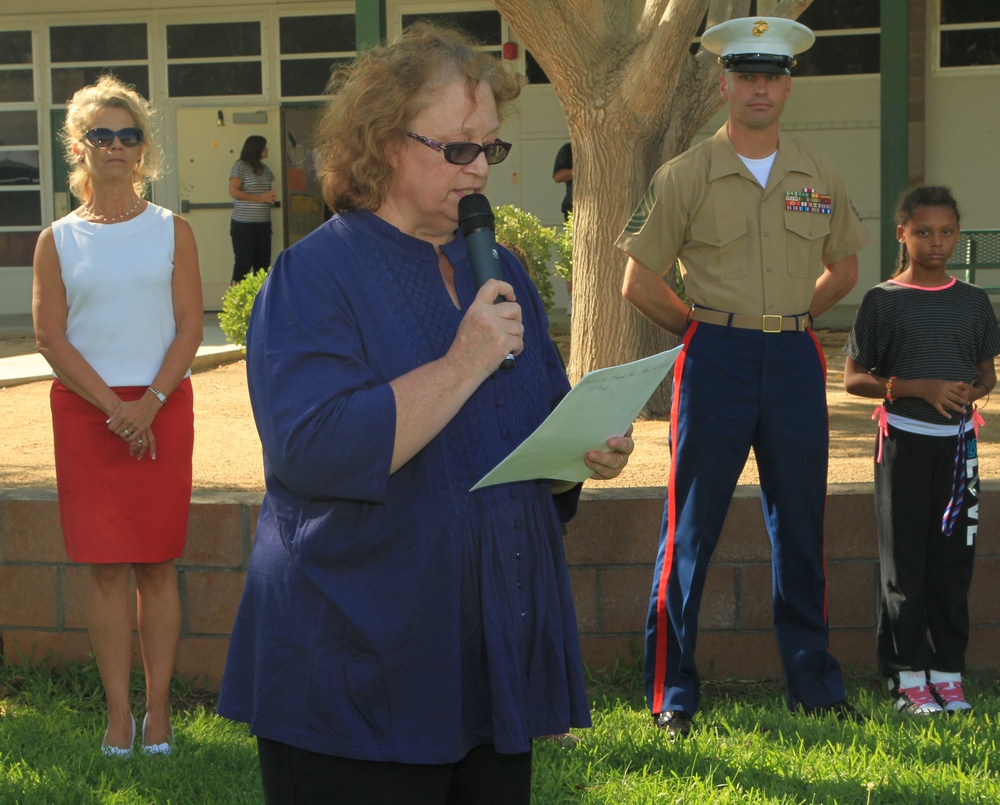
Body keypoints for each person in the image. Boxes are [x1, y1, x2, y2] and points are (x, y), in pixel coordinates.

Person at [216, 23, 634, 804]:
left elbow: (528, 425)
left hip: (486, 660)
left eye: (490, 150)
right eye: (457, 150)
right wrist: (460, 362)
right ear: (382, 142)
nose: (479, 169)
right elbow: (315, 449)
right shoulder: (313, 275)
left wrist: (578, 453)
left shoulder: (499, 262)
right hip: (356, 671)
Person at [618, 16, 871, 737]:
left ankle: (814, 684)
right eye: (747, 74)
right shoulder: (685, 175)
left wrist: (790, 316)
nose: (760, 87)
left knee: (801, 525)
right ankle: (672, 690)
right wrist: (704, 330)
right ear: (724, 82)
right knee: (690, 528)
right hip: (717, 360)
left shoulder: (819, 173)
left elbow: (845, 266)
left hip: (792, 360)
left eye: (774, 75)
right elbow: (637, 280)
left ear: (789, 85)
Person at [32, 74, 203, 757]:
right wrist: (115, 409)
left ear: (142, 149)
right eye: (101, 134)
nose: (115, 145)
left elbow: (191, 325)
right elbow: (50, 337)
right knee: (105, 570)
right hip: (88, 415)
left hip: (161, 405)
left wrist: (149, 404)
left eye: (128, 135)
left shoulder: (174, 230)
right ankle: (117, 716)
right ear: (79, 146)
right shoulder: (57, 238)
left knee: (157, 565)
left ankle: (158, 713)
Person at [844, 186, 1000, 716]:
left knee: (953, 564)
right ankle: (906, 675)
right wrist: (919, 388)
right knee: (904, 563)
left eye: (947, 232)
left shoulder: (973, 302)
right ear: (902, 234)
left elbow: (986, 373)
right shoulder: (882, 300)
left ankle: (947, 673)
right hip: (904, 446)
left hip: (959, 450)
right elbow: (854, 379)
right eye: (924, 232)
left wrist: (970, 394)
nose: (937, 243)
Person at [228, 135, 276, 284]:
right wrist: (259, 198)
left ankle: (259, 301)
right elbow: (233, 191)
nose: (267, 150)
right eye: (265, 147)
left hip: (263, 224)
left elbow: (265, 190)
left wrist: (269, 197)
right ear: (257, 149)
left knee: (262, 266)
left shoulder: (265, 169)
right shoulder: (240, 166)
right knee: (243, 263)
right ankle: (236, 303)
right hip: (244, 225)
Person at [552, 141, 574, 317]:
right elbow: (558, 176)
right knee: (571, 254)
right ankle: (572, 299)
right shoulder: (568, 149)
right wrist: (582, 169)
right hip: (572, 207)